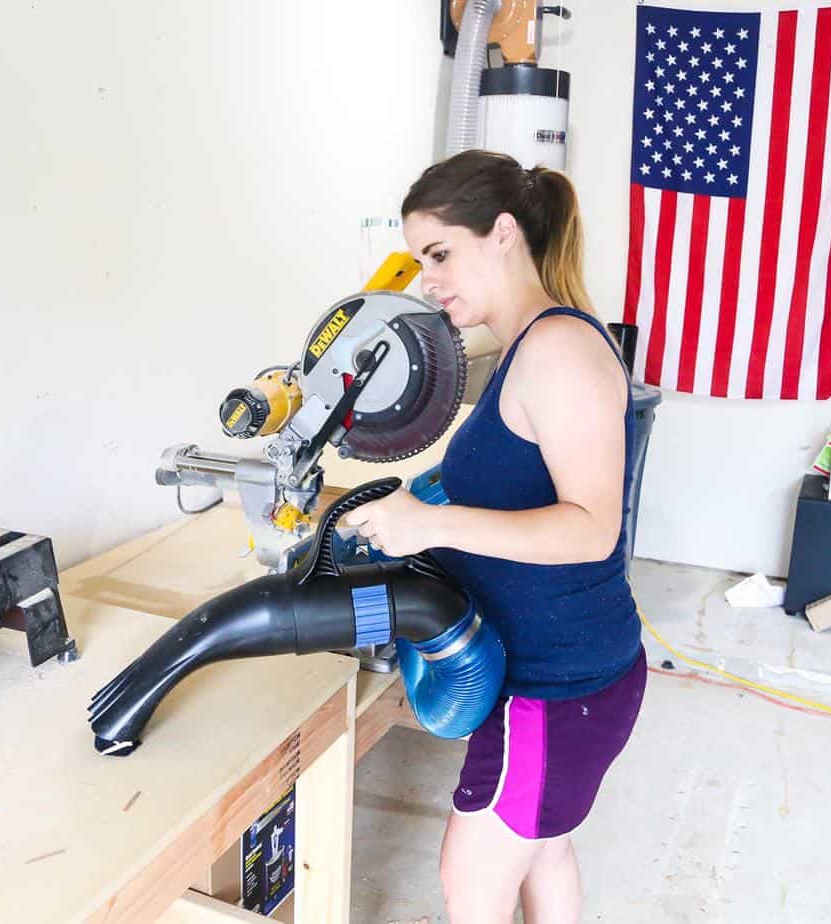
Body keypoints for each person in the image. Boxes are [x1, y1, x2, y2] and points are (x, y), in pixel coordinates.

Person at [345, 149, 646, 924]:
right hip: (566, 672)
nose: (429, 278)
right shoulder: (526, 346)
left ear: (503, 233)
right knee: (544, 847)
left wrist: (430, 522)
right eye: (419, 261)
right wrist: (420, 504)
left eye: (440, 254)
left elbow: (590, 530)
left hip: (555, 686)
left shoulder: (560, 351)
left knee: (469, 884)